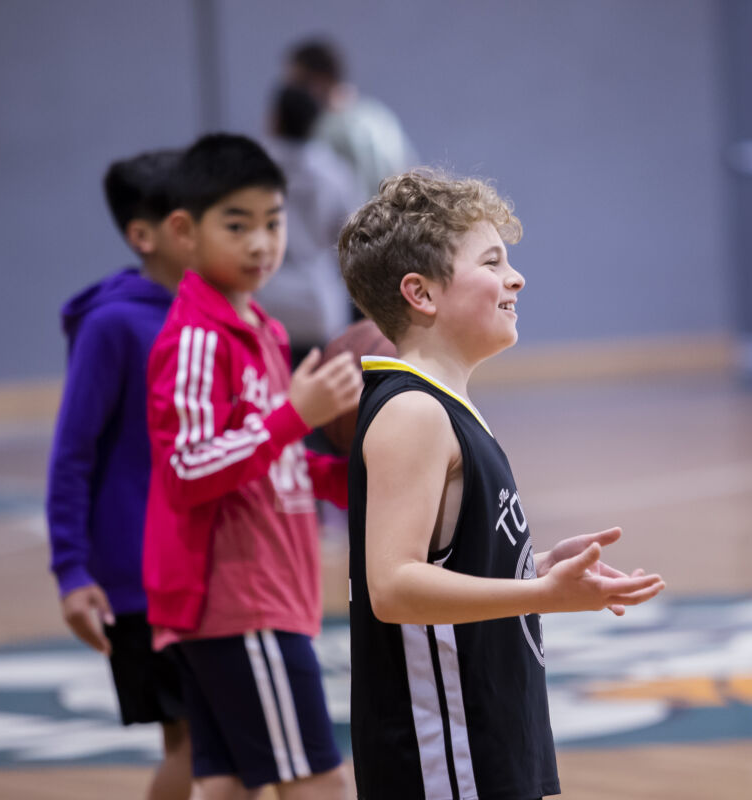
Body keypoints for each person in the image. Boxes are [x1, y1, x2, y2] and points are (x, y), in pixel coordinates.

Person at [338, 170, 666, 799]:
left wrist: (533, 567)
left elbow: (444, 564)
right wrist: (541, 593)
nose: (516, 279)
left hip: (481, 742)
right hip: (444, 756)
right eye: (492, 263)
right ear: (421, 293)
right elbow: (394, 587)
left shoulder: (444, 405)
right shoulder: (413, 413)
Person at [142, 134, 363, 799]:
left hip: (258, 602)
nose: (261, 243)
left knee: (226, 786)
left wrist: (353, 479)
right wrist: (295, 415)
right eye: (237, 226)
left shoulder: (264, 330)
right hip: (240, 605)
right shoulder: (197, 340)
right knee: (320, 782)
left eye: (273, 222)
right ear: (184, 232)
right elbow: (187, 469)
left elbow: (274, 461)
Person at [45, 149, 194, 800]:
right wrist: (71, 571)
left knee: (223, 746)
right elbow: (71, 452)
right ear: (144, 235)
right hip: (143, 580)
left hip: (210, 568)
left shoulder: (216, 313)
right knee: (198, 745)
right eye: (189, 221)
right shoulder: (112, 326)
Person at [258, 84, 360, 366]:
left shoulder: (254, 167)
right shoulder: (334, 171)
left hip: (266, 298)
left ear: (275, 119)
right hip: (319, 303)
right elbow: (351, 237)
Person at [285, 38, 419, 202]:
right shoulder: (379, 116)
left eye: (300, 84)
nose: (293, 96)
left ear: (322, 79)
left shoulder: (326, 129)